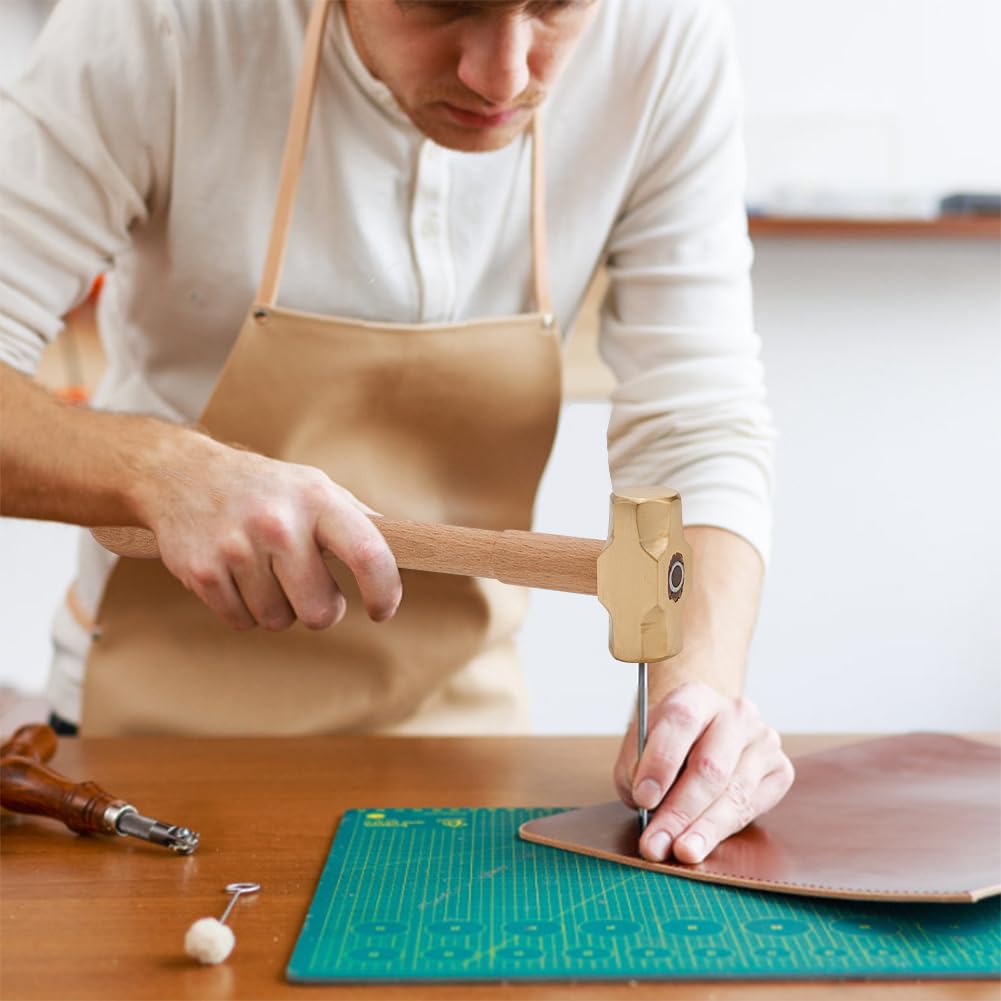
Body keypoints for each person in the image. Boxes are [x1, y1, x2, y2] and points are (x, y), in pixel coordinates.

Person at [0, 0, 794, 865]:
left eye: (554, 8)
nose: (502, 75)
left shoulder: (665, 36)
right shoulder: (158, 20)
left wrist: (692, 705)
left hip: (467, 758)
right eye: (444, 5)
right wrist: (162, 468)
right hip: (145, 752)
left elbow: (696, 418)